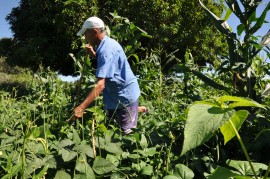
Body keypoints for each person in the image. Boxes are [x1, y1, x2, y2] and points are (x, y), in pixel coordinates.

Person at [73, 16, 147, 134]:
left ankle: (135, 110)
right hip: (114, 96)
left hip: (125, 96)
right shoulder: (106, 44)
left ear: (95, 32)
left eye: (86, 34)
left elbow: (100, 85)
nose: (85, 37)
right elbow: (109, 63)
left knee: (127, 133)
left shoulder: (106, 50)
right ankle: (137, 110)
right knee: (113, 127)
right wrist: (94, 55)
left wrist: (81, 108)